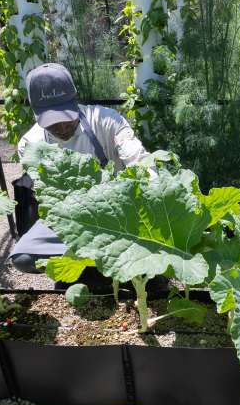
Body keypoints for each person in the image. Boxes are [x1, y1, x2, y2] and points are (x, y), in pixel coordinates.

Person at [9, 63, 152, 274]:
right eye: (52, 122)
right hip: (70, 219)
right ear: (36, 114)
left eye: (66, 117)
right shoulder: (30, 145)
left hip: (117, 214)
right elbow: (49, 199)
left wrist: (152, 192)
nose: (61, 127)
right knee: (22, 258)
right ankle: (94, 264)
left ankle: (93, 265)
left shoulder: (107, 121)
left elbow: (138, 159)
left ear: (75, 101)